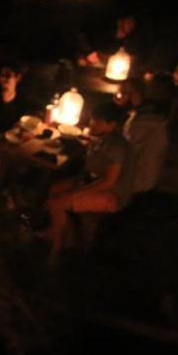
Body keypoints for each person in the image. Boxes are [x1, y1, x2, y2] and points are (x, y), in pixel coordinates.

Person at [43, 100, 134, 265]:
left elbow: (109, 181)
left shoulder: (116, 147)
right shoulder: (101, 137)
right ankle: (58, 232)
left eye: (98, 121)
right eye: (93, 118)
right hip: (91, 181)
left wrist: (77, 192)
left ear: (111, 124)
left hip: (112, 194)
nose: (92, 123)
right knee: (55, 189)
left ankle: (56, 249)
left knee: (56, 204)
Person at [121, 78, 170, 195]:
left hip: (136, 181)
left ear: (135, 95)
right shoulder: (150, 117)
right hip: (138, 176)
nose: (120, 97)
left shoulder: (143, 123)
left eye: (124, 93)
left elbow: (123, 155)